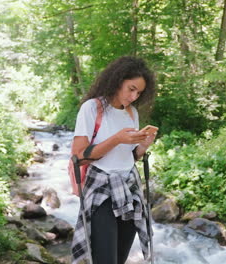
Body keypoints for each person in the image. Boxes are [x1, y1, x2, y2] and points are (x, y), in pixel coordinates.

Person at [70, 56, 156, 264]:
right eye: (131, 88)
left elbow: (129, 157)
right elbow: (78, 158)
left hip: (129, 189)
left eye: (139, 92)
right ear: (118, 81)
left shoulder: (131, 112)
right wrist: (117, 139)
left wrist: (143, 146)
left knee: (119, 258)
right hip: (101, 191)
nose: (134, 96)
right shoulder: (92, 108)